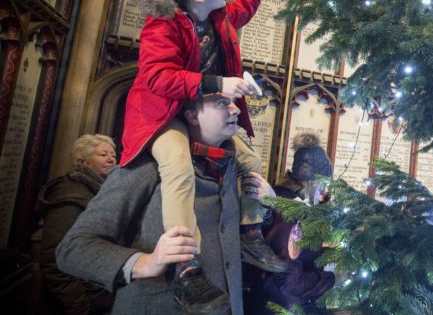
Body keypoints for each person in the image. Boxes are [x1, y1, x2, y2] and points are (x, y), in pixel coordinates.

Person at [119, 0, 285, 303]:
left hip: (199, 110)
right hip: (165, 115)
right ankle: (186, 265)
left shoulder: (215, 15)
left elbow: (241, 10)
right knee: (178, 169)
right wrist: (217, 84)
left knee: (250, 161)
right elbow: (157, 77)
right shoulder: (162, 24)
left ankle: (251, 235)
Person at [56, 93, 272, 314]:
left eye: (234, 102)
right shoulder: (147, 167)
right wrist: (144, 263)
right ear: (192, 115)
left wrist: (267, 204)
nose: (236, 109)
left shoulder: (231, 169)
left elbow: (227, 239)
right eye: (221, 103)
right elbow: (73, 248)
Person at [246, 133, 336, 314]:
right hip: (285, 307)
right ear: (312, 183)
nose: (326, 193)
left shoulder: (286, 201)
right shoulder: (292, 214)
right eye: (323, 185)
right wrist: (332, 279)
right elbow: (290, 281)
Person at [36, 134, 117, 315]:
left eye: (113, 155)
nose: (111, 159)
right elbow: (53, 260)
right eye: (103, 155)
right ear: (82, 161)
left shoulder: (100, 191)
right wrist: (80, 308)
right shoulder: (70, 197)